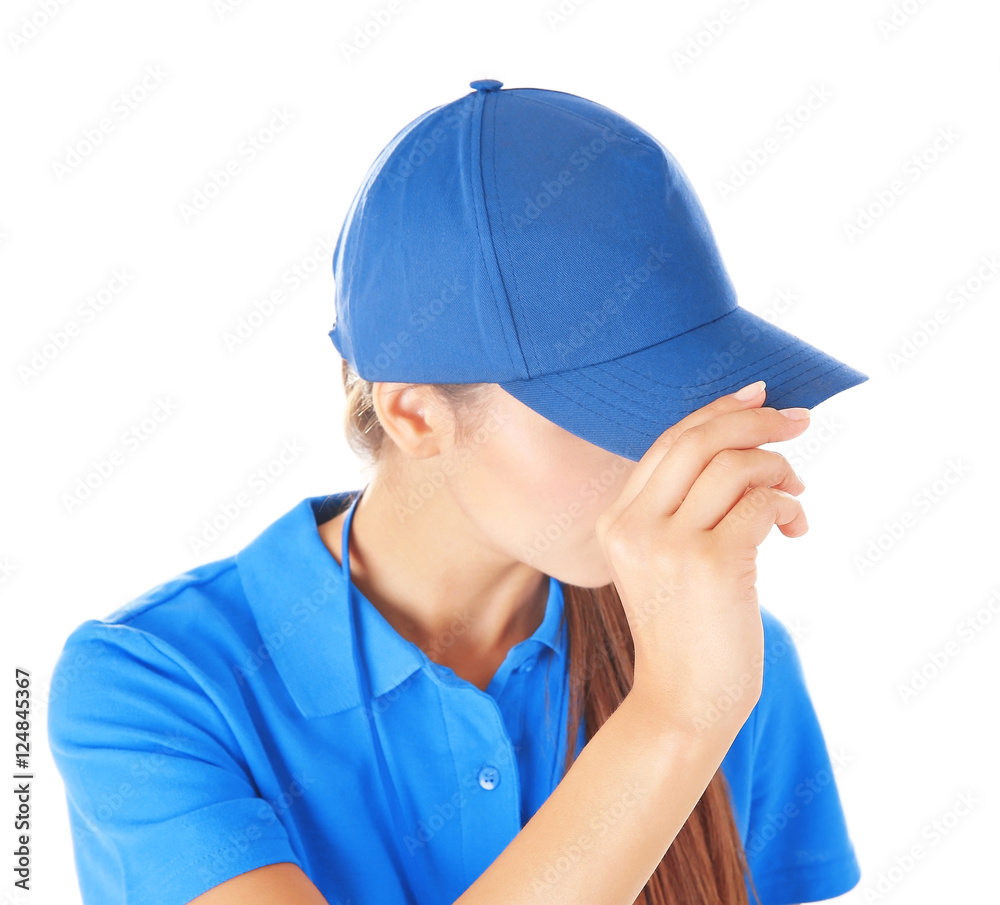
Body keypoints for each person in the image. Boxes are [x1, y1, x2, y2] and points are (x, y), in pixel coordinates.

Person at [48, 78, 867, 905]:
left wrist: (693, 697)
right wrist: (676, 717)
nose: (674, 457)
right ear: (415, 413)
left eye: (688, 399)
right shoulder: (151, 684)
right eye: (615, 409)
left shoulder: (721, 649)